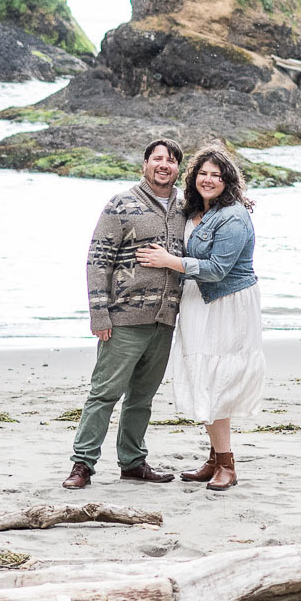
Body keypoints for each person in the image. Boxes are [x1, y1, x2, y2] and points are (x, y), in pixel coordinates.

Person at [135, 143, 263, 491]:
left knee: (216, 380)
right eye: (203, 173)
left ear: (228, 181)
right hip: (196, 301)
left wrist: (169, 262)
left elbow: (218, 269)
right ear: (194, 177)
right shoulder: (191, 210)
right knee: (204, 375)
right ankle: (212, 460)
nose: (208, 180)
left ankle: (227, 465)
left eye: (216, 176)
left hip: (226, 303)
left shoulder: (233, 216)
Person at [63, 137, 188, 489]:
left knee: (142, 398)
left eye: (171, 160)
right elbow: (97, 261)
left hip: (164, 320)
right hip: (123, 320)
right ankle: (82, 465)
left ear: (178, 168)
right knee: (104, 394)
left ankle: (133, 462)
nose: (164, 165)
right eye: (157, 158)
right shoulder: (121, 204)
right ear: (145, 164)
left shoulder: (185, 207)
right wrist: (99, 315)